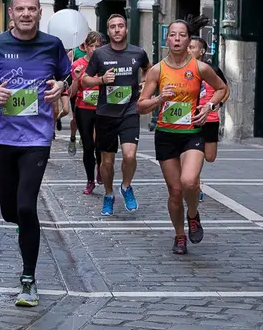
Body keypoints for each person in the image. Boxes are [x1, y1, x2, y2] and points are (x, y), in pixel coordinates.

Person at [0, 0, 70, 307]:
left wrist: (62, 86)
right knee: (9, 212)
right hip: (2, 138)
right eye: (20, 9)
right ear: (11, 13)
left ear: (40, 13)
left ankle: (28, 280)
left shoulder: (52, 45)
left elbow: (67, 77)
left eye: (32, 9)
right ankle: (24, 230)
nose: (26, 14)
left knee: (27, 207)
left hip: (37, 140)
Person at [137, 20, 227, 254]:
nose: (177, 39)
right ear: (167, 40)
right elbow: (141, 106)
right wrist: (158, 99)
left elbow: (221, 88)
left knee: (189, 182)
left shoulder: (200, 68)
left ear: (189, 41)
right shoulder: (157, 70)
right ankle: (179, 235)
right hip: (166, 136)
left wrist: (209, 107)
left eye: (182, 35)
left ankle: (193, 215)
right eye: (173, 35)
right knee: (175, 191)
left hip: (192, 134)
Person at [82, 14, 151, 216]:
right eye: (113, 27)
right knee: (107, 162)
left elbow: (149, 69)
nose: (117, 30)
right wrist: (102, 80)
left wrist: (146, 84)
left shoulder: (138, 53)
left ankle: (127, 186)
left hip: (129, 111)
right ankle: (109, 194)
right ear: (108, 31)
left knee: (130, 155)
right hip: (106, 114)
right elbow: (85, 79)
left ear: (126, 29)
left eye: (121, 26)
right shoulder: (100, 54)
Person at [188, 35, 229, 200]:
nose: (189, 50)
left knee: (210, 157)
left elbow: (225, 90)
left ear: (202, 51)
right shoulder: (184, 71)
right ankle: (195, 186)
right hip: (191, 120)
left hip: (210, 119)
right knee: (194, 153)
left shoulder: (212, 70)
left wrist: (218, 105)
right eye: (188, 47)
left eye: (193, 47)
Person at [69, 32, 103, 194]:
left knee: (100, 145)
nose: (95, 50)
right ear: (86, 47)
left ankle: (101, 168)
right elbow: (71, 93)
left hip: (102, 109)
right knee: (88, 146)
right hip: (84, 108)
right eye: (92, 46)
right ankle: (90, 180)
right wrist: (76, 78)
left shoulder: (106, 63)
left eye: (98, 46)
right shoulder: (78, 64)